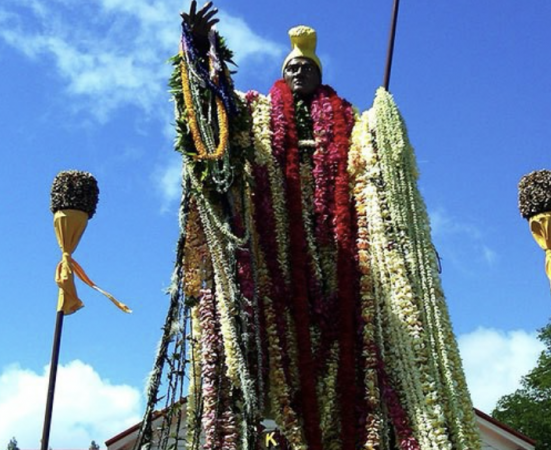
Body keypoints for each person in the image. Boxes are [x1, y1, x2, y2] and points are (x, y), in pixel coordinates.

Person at [135, 3, 481, 450]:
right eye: (292, 66)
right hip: (271, 265)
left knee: (357, 371)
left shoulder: (353, 122)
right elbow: (213, 121)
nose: (298, 72)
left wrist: (381, 121)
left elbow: (378, 165)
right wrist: (202, 51)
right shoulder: (255, 116)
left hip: (346, 269)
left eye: (306, 67)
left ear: (319, 73)